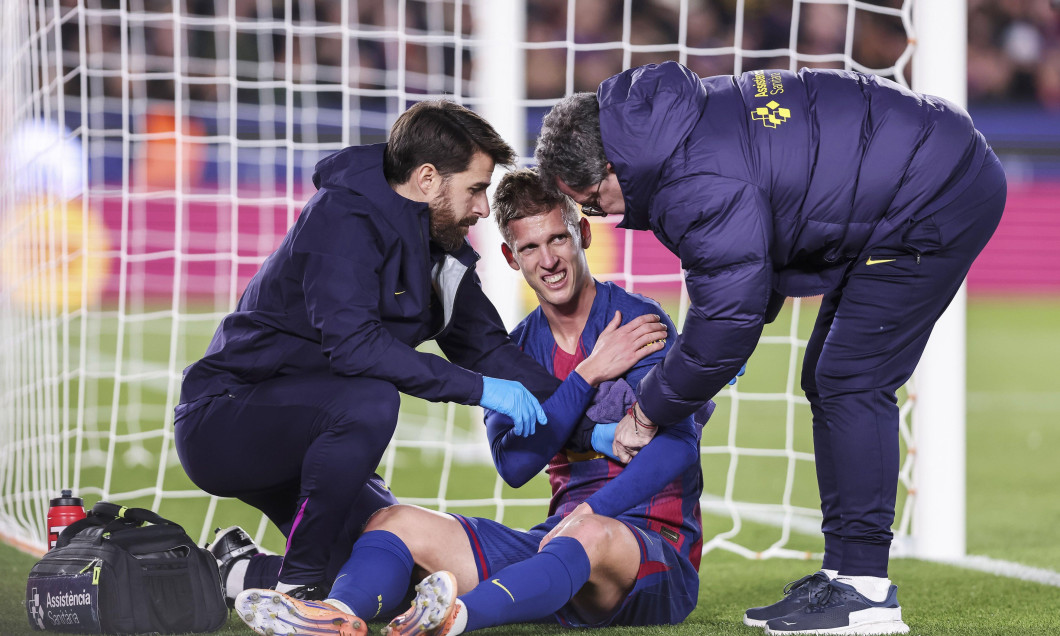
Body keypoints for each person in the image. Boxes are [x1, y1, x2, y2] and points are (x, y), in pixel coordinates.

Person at [533, 61, 1007, 635]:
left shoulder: (688, 183)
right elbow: (757, 280)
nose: (597, 215)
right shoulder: (667, 125)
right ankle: (846, 576)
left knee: (850, 379)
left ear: (611, 168)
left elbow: (728, 316)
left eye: (589, 200)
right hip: (916, 172)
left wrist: (648, 411)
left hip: (933, 192)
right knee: (828, 377)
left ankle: (866, 593)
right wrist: (699, 372)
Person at [174, 100, 667, 603]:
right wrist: (481, 391)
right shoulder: (341, 218)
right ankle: (296, 590)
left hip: (308, 439)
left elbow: (491, 352)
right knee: (370, 401)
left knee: (388, 560)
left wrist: (593, 429)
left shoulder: (441, 250)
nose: (481, 208)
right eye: (475, 189)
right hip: (226, 420)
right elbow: (354, 347)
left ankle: (232, 571)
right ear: (428, 179)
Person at [233, 168, 710, 636]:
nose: (548, 260)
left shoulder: (638, 323)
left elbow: (677, 447)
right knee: (393, 521)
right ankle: (336, 617)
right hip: (557, 546)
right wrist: (584, 377)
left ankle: (454, 619)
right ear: (510, 256)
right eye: (529, 247)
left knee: (585, 534)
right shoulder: (514, 351)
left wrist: (591, 511)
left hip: (653, 552)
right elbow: (515, 464)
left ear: (582, 233)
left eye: (558, 239)